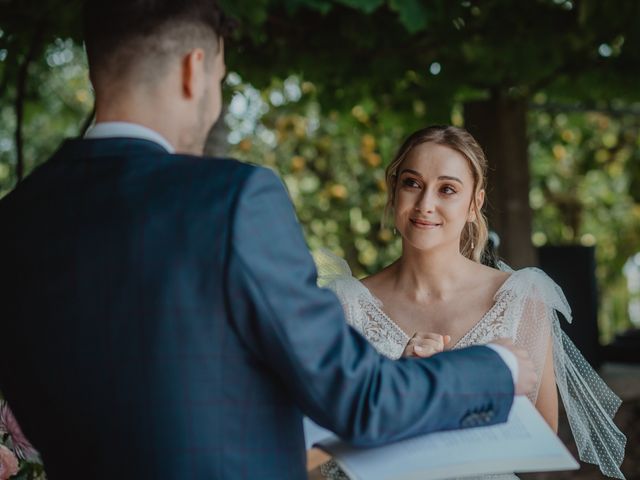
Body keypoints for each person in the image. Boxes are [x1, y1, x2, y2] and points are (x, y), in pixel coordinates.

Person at [0, 2, 537, 479]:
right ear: (196, 71)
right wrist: (500, 365)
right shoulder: (233, 198)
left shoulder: (17, 216)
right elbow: (360, 399)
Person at [316, 125, 627, 479]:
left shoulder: (520, 298)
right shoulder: (346, 306)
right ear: (393, 190)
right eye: (412, 183)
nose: (425, 204)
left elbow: (542, 440)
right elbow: (320, 448)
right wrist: (397, 383)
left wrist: (459, 388)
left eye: (447, 189)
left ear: (473, 204)